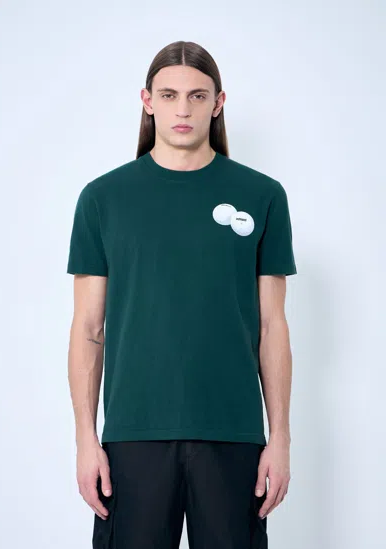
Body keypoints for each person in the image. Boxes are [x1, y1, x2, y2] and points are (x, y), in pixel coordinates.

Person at [66, 40, 297, 549]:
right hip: (133, 434)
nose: (183, 109)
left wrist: (279, 436)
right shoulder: (103, 198)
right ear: (148, 101)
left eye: (197, 96)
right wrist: (86, 439)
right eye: (169, 95)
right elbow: (88, 328)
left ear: (218, 103)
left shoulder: (262, 196)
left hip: (233, 433)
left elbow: (272, 326)